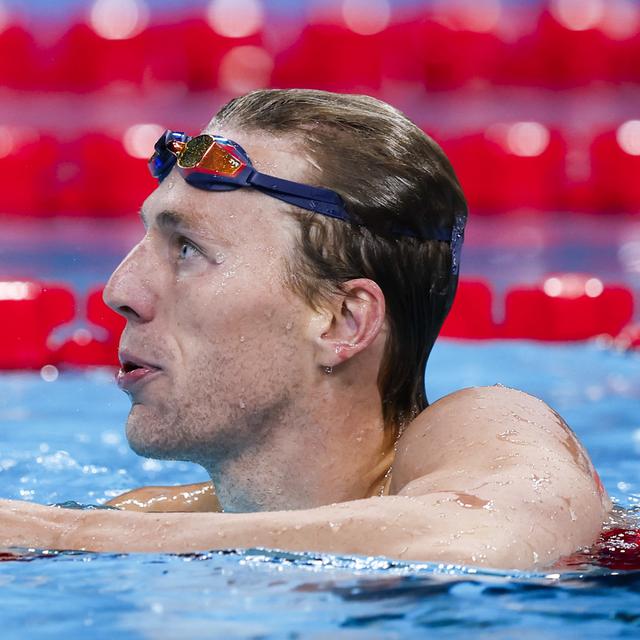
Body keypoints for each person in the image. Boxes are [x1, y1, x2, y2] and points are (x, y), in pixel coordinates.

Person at [0, 89, 609, 569]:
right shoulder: (153, 522)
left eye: (186, 248)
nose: (119, 292)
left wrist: (64, 532)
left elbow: (483, 542)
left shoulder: (486, 427)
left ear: (343, 321)